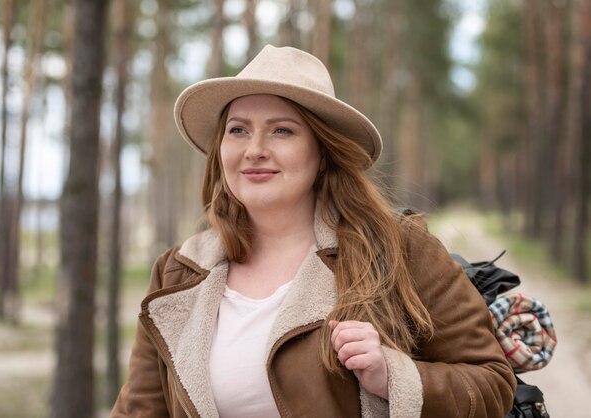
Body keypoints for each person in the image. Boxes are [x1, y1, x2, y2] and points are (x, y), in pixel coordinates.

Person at [111, 45, 515, 418]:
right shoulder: (179, 271)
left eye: (281, 130)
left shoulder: (397, 250)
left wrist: (392, 376)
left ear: (323, 153)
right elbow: (141, 410)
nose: (254, 149)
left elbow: (493, 384)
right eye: (238, 130)